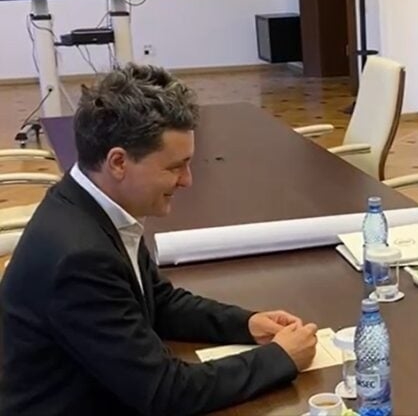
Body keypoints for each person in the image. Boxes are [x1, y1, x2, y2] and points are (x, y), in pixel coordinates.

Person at [0, 64, 319, 415]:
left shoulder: (92, 206)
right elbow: (165, 393)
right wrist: (280, 359)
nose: (187, 180)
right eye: (174, 167)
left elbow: (158, 302)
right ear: (118, 162)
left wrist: (245, 324)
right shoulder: (80, 257)